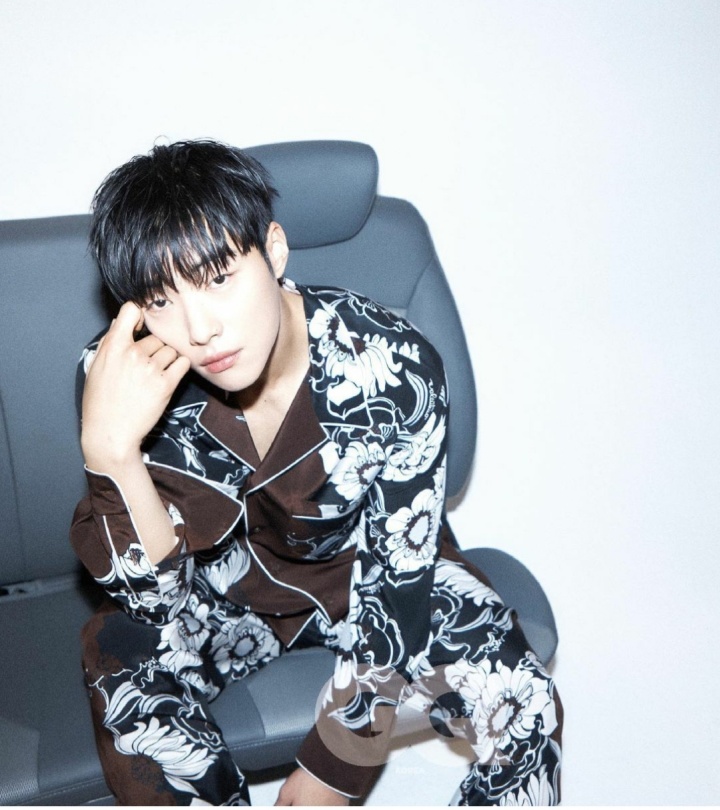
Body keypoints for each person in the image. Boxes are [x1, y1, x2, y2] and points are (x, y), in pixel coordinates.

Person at [71, 139, 563, 806]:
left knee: (526, 704)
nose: (200, 328)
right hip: (219, 597)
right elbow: (154, 603)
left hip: (364, 574)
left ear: (273, 252)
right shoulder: (120, 381)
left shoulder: (393, 367)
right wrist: (112, 455)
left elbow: (400, 581)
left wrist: (342, 757)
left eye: (219, 278)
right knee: (120, 658)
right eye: (160, 299)